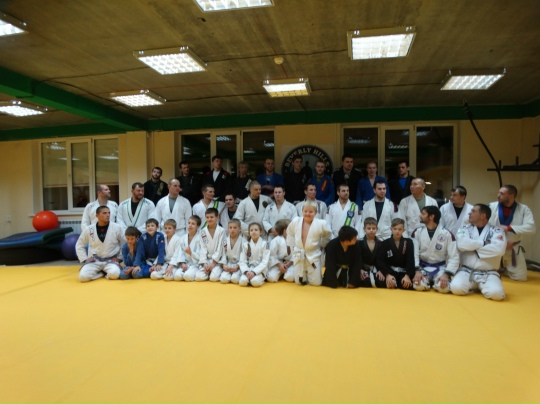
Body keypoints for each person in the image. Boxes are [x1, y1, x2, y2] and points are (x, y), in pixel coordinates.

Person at [451, 204, 507, 301]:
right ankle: (477, 286)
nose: (469, 213)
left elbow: (499, 250)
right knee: (456, 288)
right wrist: (484, 243)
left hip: (488, 273)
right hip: (466, 271)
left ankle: (481, 286)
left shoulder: (497, 231)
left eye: (473, 211)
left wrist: (473, 248)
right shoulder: (464, 229)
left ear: (483, 216)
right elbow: (461, 244)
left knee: (497, 294)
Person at [488, 185, 536, 281]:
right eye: (499, 192)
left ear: (511, 196)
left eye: (502, 193)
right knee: (486, 274)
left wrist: (509, 228)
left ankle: (505, 269)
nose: (498, 195)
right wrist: (499, 242)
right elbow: (482, 225)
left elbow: (531, 228)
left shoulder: (523, 209)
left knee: (520, 277)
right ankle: (498, 267)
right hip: (493, 246)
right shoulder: (491, 207)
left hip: (512, 247)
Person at [410, 206, 459, 293]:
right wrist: (416, 271)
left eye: (423, 214)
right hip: (423, 267)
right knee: (418, 285)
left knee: (443, 288)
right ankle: (428, 282)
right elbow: (414, 254)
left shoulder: (447, 234)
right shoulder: (417, 232)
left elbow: (454, 256)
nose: (420, 215)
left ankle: (436, 282)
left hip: (440, 268)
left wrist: (446, 274)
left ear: (431, 216)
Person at [286, 200, 332, 286]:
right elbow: (290, 232)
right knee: (299, 282)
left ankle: (310, 276)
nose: (307, 214)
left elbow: (328, 235)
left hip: (313, 254)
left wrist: (322, 245)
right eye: (305, 211)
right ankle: (302, 276)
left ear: (315, 212)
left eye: (311, 212)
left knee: (316, 283)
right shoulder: (296, 221)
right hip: (299, 253)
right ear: (302, 211)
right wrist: (292, 246)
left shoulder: (321, 223)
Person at [76, 206, 124, 282]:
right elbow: (79, 244)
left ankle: (104, 273)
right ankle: (101, 273)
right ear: (97, 215)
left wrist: (119, 258)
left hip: (111, 261)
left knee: (115, 274)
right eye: (104, 213)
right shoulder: (90, 229)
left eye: (109, 213)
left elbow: (124, 243)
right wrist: (84, 259)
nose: (108, 215)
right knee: (82, 277)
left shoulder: (117, 227)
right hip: (95, 261)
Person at [376, 218, 415, 290]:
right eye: (395, 229)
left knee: (407, 285)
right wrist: (387, 274)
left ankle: (401, 281)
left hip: (403, 273)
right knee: (381, 281)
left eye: (400, 229)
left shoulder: (408, 242)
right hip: (390, 272)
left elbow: (410, 260)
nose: (397, 231)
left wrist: (407, 275)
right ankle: (392, 280)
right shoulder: (385, 243)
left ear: (404, 230)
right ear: (391, 229)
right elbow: (380, 260)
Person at [196, 208, 226, 282]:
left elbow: (220, 248)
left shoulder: (221, 231)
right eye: (207, 217)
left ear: (217, 217)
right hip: (207, 260)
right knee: (199, 277)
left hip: (217, 260)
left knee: (214, 278)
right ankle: (208, 271)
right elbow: (203, 248)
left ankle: (215, 271)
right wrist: (204, 263)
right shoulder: (203, 231)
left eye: (211, 217)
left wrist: (213, 263)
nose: (209, 219)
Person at [238, 222, 270, 287]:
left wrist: (254, 272)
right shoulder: (245, 245)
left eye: (256, 230)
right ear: (249, 233)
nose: (253, 232)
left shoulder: (265, 244)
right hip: (249, 268)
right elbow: (242, 261)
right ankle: (249, 276)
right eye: (251, 230)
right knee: (242, 282)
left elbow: (265, 261)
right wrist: (246, 271)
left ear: (260, 232)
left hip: (260, 269)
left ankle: (261, 278)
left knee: (255, 282)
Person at [358, 217, 386, 288]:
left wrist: (380, 270)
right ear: (364, 229)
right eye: (369, 228)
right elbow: (358, 258)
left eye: (373, 228)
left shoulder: (381, 243)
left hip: (376, 269)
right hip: (363, 269)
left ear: (377, 229)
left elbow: (382, 259)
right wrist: (360, 269)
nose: (371, 230)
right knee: (362, 280)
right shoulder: (359, 242)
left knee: (382, 281)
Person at [172, 215, 202, 282]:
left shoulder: (200, 238)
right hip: (185, 264)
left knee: (187, 276)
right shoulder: (183, 238)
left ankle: (194, 273)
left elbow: (201, 255)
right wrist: (182, 263)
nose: (190, 225)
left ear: (198, 226)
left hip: (195, 264)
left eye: (193, 224)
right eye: (189, 223)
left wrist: (191, 253)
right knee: (177, 277)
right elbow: (180, 253)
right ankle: (185, 270)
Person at [267, 219, 294, 283]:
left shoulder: (293, 239)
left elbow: (296, 253)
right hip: (278, 263)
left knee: (290, 278)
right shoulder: (275, 241)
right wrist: (280, 265)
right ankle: (281, 272)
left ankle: (284, 273)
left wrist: (289, 263)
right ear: (285, 230)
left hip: (290, 262)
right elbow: (272, 255)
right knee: (271, 278)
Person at [219, 219, 244, 284]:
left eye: (235, 228)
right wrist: (224, 265)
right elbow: (223, 254)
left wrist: (238, 266)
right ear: (228, 229)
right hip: (228, 264)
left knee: (235, 279)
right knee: (224, 279)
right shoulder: (225, 241)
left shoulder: (243, 241)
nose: (232, 230)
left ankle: (238, 274)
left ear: (240, 228)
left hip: (238, 265)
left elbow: (244, 256)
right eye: (230, 228)